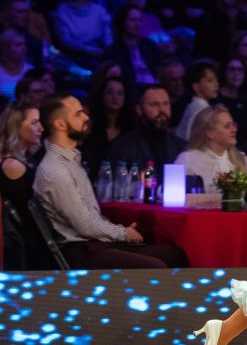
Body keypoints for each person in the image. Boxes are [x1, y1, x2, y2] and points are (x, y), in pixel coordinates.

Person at [33, 93, 188, 269]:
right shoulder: (55, 170)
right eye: (78, 114)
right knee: (155, 266)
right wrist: (123, 233)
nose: (86, 117)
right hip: (79, 250)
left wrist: (120, 232)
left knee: (174, 254)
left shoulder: (71, 161)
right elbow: (85, 226)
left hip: (93, 244)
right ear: (60, 124)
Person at [0, 99, 48, 269]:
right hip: (29, 252)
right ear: (17, 126)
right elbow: (33, 215)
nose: (41, 128)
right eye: (34, 123)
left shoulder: (25, 161)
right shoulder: (12, 165)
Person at [107, 84, 185, 187]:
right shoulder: (123, 146)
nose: (162, 110)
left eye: (166, 104)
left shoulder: (181, 146)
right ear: (139, 110)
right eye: (154, 105)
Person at [175, 104, 247, 194]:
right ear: (210, 133)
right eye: (227, 126)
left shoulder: (242, 160)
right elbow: (165, 191)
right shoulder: (189, 158)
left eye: (233, 125)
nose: (234, 129)